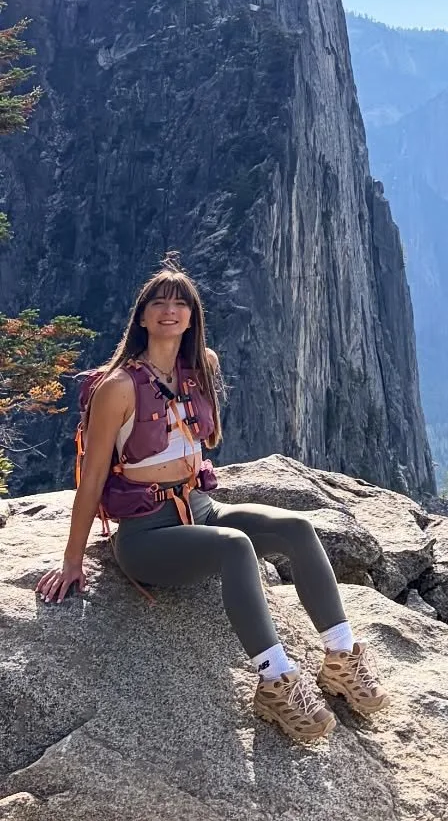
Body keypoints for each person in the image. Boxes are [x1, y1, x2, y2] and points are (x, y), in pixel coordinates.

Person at [35, 254, 388, 745]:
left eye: (181, 304)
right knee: (234, 547)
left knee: (298, 529)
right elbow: (91, 478)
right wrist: (73, 560)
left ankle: (342, 657)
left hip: (200, 509)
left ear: (193, 317)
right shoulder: (118, 388)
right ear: (141, 317)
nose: (169, 311)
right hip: (147, 535)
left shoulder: (199, 370)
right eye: (158, 303)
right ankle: (274, 681)